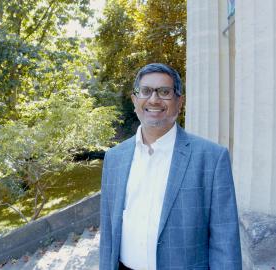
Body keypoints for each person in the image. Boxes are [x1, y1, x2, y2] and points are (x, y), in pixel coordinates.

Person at [99, 63, 242, 270]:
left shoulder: (211, 157)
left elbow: (225, 240)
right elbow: (108, 235)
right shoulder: (114, 158)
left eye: (164, 92)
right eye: (146, 91)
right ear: (135, 100)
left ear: (179, 101)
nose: (154, 99)